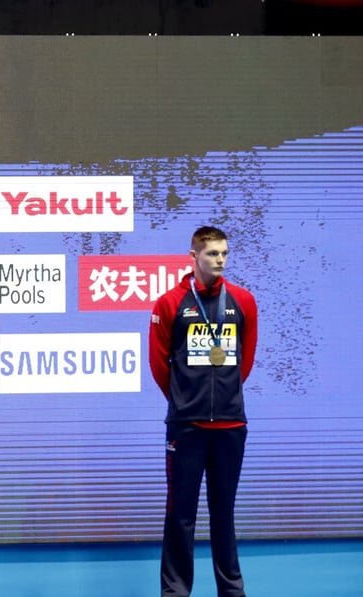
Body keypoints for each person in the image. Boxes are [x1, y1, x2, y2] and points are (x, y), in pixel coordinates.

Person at [148, 225, 259, 597]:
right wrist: (186, 399)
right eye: (212, 254)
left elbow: (244, 362)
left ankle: (231, 590)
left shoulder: (243, 301)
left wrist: (223, 396)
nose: (220, 260)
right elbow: (159, 365)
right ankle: (176, 591)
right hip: (187, 427)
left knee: (223, 514)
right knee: (180, 515)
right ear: (193, 256)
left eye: (225, 253)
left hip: (231, 426)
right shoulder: (169, 304)